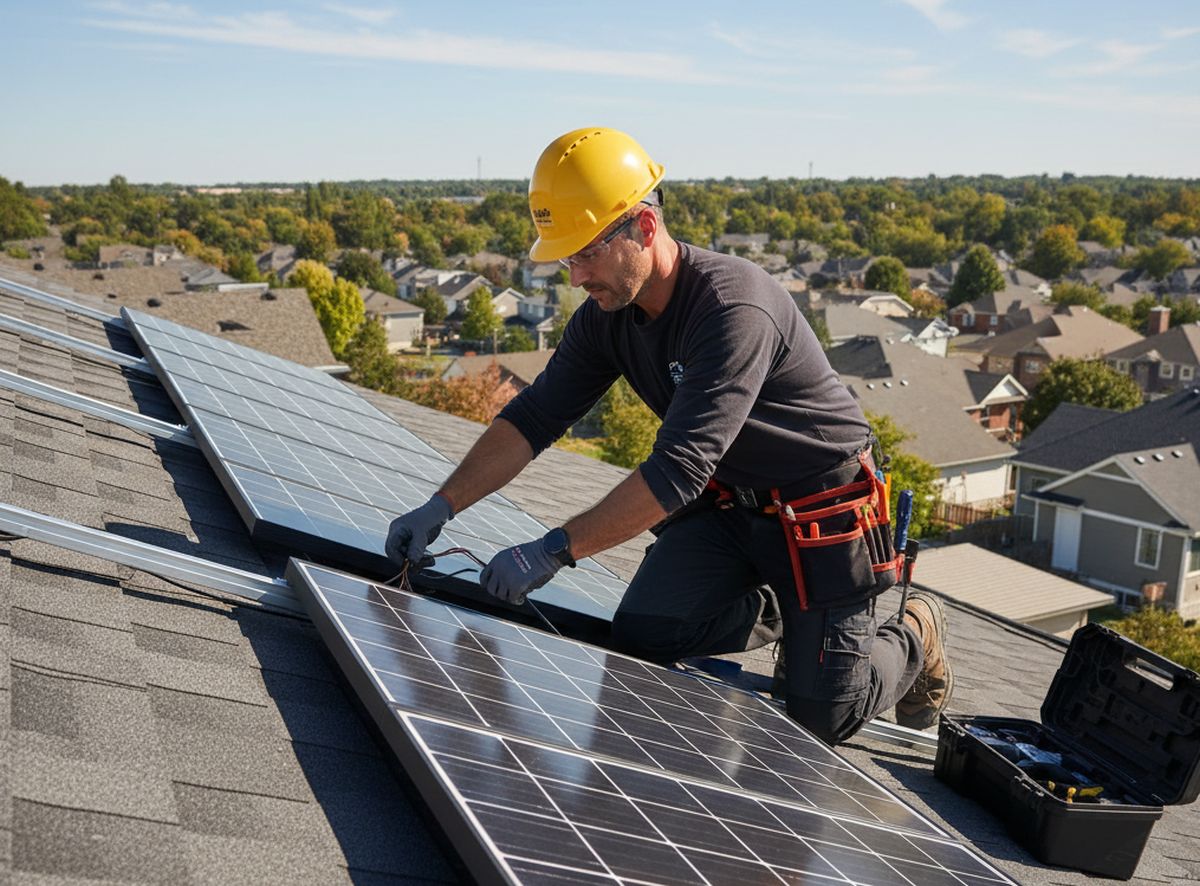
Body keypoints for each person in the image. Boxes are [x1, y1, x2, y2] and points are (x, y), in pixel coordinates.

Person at [385, 127, 952, 744]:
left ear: (644, 229)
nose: (576, 277)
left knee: (822, 718)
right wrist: (440, 505)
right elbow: (534, 417)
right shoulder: (609, 315)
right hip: (732, 508)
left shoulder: (733, 309)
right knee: (643, 634)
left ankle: (916, 630)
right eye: (567, 259)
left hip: (820, 513)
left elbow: (678, 470)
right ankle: (791, 610)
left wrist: (550, 550)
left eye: (586, 254)